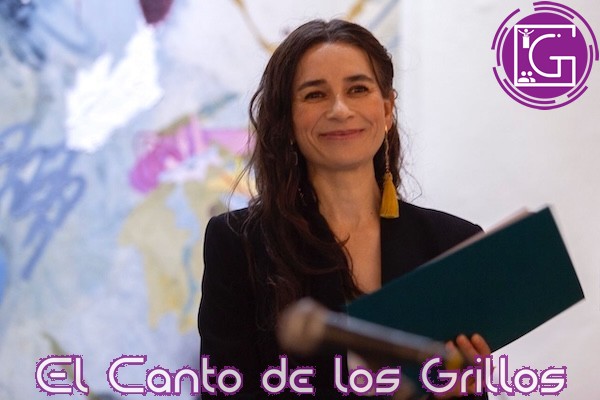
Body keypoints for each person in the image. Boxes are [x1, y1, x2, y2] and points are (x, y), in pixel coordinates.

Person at [199, 19, 490, 399]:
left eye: (358, 89)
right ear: (287, 119)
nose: (340, 109)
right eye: (315, 95)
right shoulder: (237, 244)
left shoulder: (454, 245)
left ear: (387, 109)